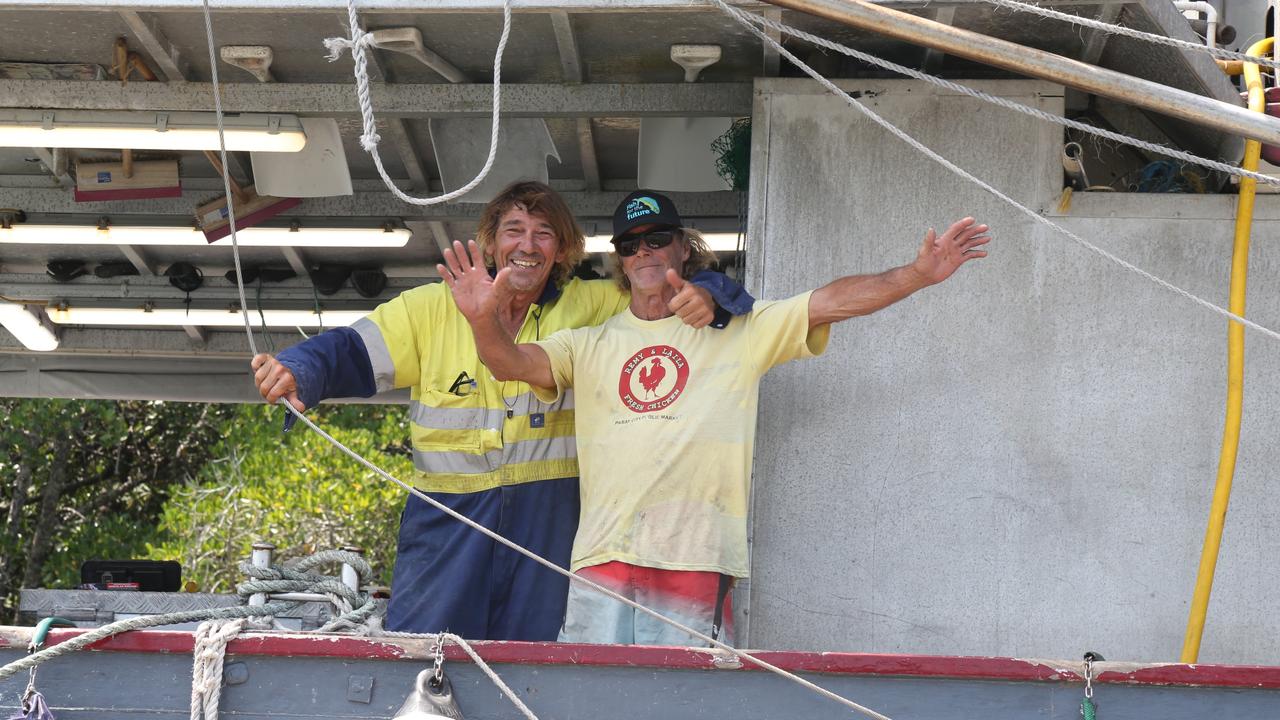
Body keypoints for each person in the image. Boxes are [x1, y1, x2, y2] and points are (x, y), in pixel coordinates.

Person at [441, 189, 990, 645]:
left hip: (694, 558)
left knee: (687, 703)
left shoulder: (737, 329)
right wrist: (483, 319)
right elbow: (507, 362)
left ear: (684, 248)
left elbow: (829, 302)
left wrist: (919, 274)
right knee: (592, 702)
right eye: (631, 244)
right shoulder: (587, 344)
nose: (645, 252)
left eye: (658, 239)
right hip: (600, 560)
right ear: (619, 260)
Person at [250, 181, 753, 640]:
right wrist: (298, 369)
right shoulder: (433, 306)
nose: (528, 246)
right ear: (490, 242)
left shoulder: (595, 305)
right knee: (422, 657)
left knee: (537, 671)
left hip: (550, 518)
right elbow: (351, 350)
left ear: (563, 251)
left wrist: (712, 294)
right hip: (448, 520)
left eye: (544, 234)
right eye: (514, 230)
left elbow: (662, 290)